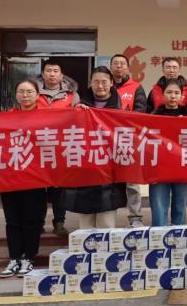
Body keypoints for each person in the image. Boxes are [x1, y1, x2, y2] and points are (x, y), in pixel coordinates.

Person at [60, 67, 127, 229]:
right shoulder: (79, 105)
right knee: (86, 226)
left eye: (104, 82)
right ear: (90, 83)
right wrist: (76, 114)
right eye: (96, 82)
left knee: (106, 225)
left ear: (111, 83)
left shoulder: (120, 110)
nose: (100, 86)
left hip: (109, 174)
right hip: (86, 172)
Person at [0, 80, 47, 278]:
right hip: (9, 178)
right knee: (12, 221)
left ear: (37, 95)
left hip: (35, 178)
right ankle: (14, 258)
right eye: (21, 92)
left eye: (29, 92)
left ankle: (29, 257)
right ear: (16, 95)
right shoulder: (5, 118)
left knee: (31, 220)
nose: (25, 95)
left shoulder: (48, 118)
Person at [35, 58, 80, 236]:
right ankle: (38, 223)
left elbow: (78, 119)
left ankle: (59, 222)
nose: (52, 74)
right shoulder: (32, 92)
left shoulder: (72, 95)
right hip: (37, 148)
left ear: (61, 75)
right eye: (48, 71)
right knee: (38, 189)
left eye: (55, 71)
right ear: (43, 73)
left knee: (59, 189)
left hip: (61, 149)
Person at [110, 54, 147, 228]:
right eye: (115, 63)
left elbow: (141, 112)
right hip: (107, 142)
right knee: (109, 182)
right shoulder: (104, 85)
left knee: (132, 183)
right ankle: (108, 216)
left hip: (129, 141)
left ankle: (136, 217)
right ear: (110, 67)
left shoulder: (136, 87)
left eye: (122, 63)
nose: (119, 66)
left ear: (127, 67)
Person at [149, 79, 187, 226]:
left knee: (180, 207)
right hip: (159, 168)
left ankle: (178, 237)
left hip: (183, 168)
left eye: (176, 93)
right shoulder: (152, 117)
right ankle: (159, 237)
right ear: (162, 94)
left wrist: (185, 125)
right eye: (169, 92)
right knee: (158, 207)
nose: (173, 96)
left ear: (182, 96)